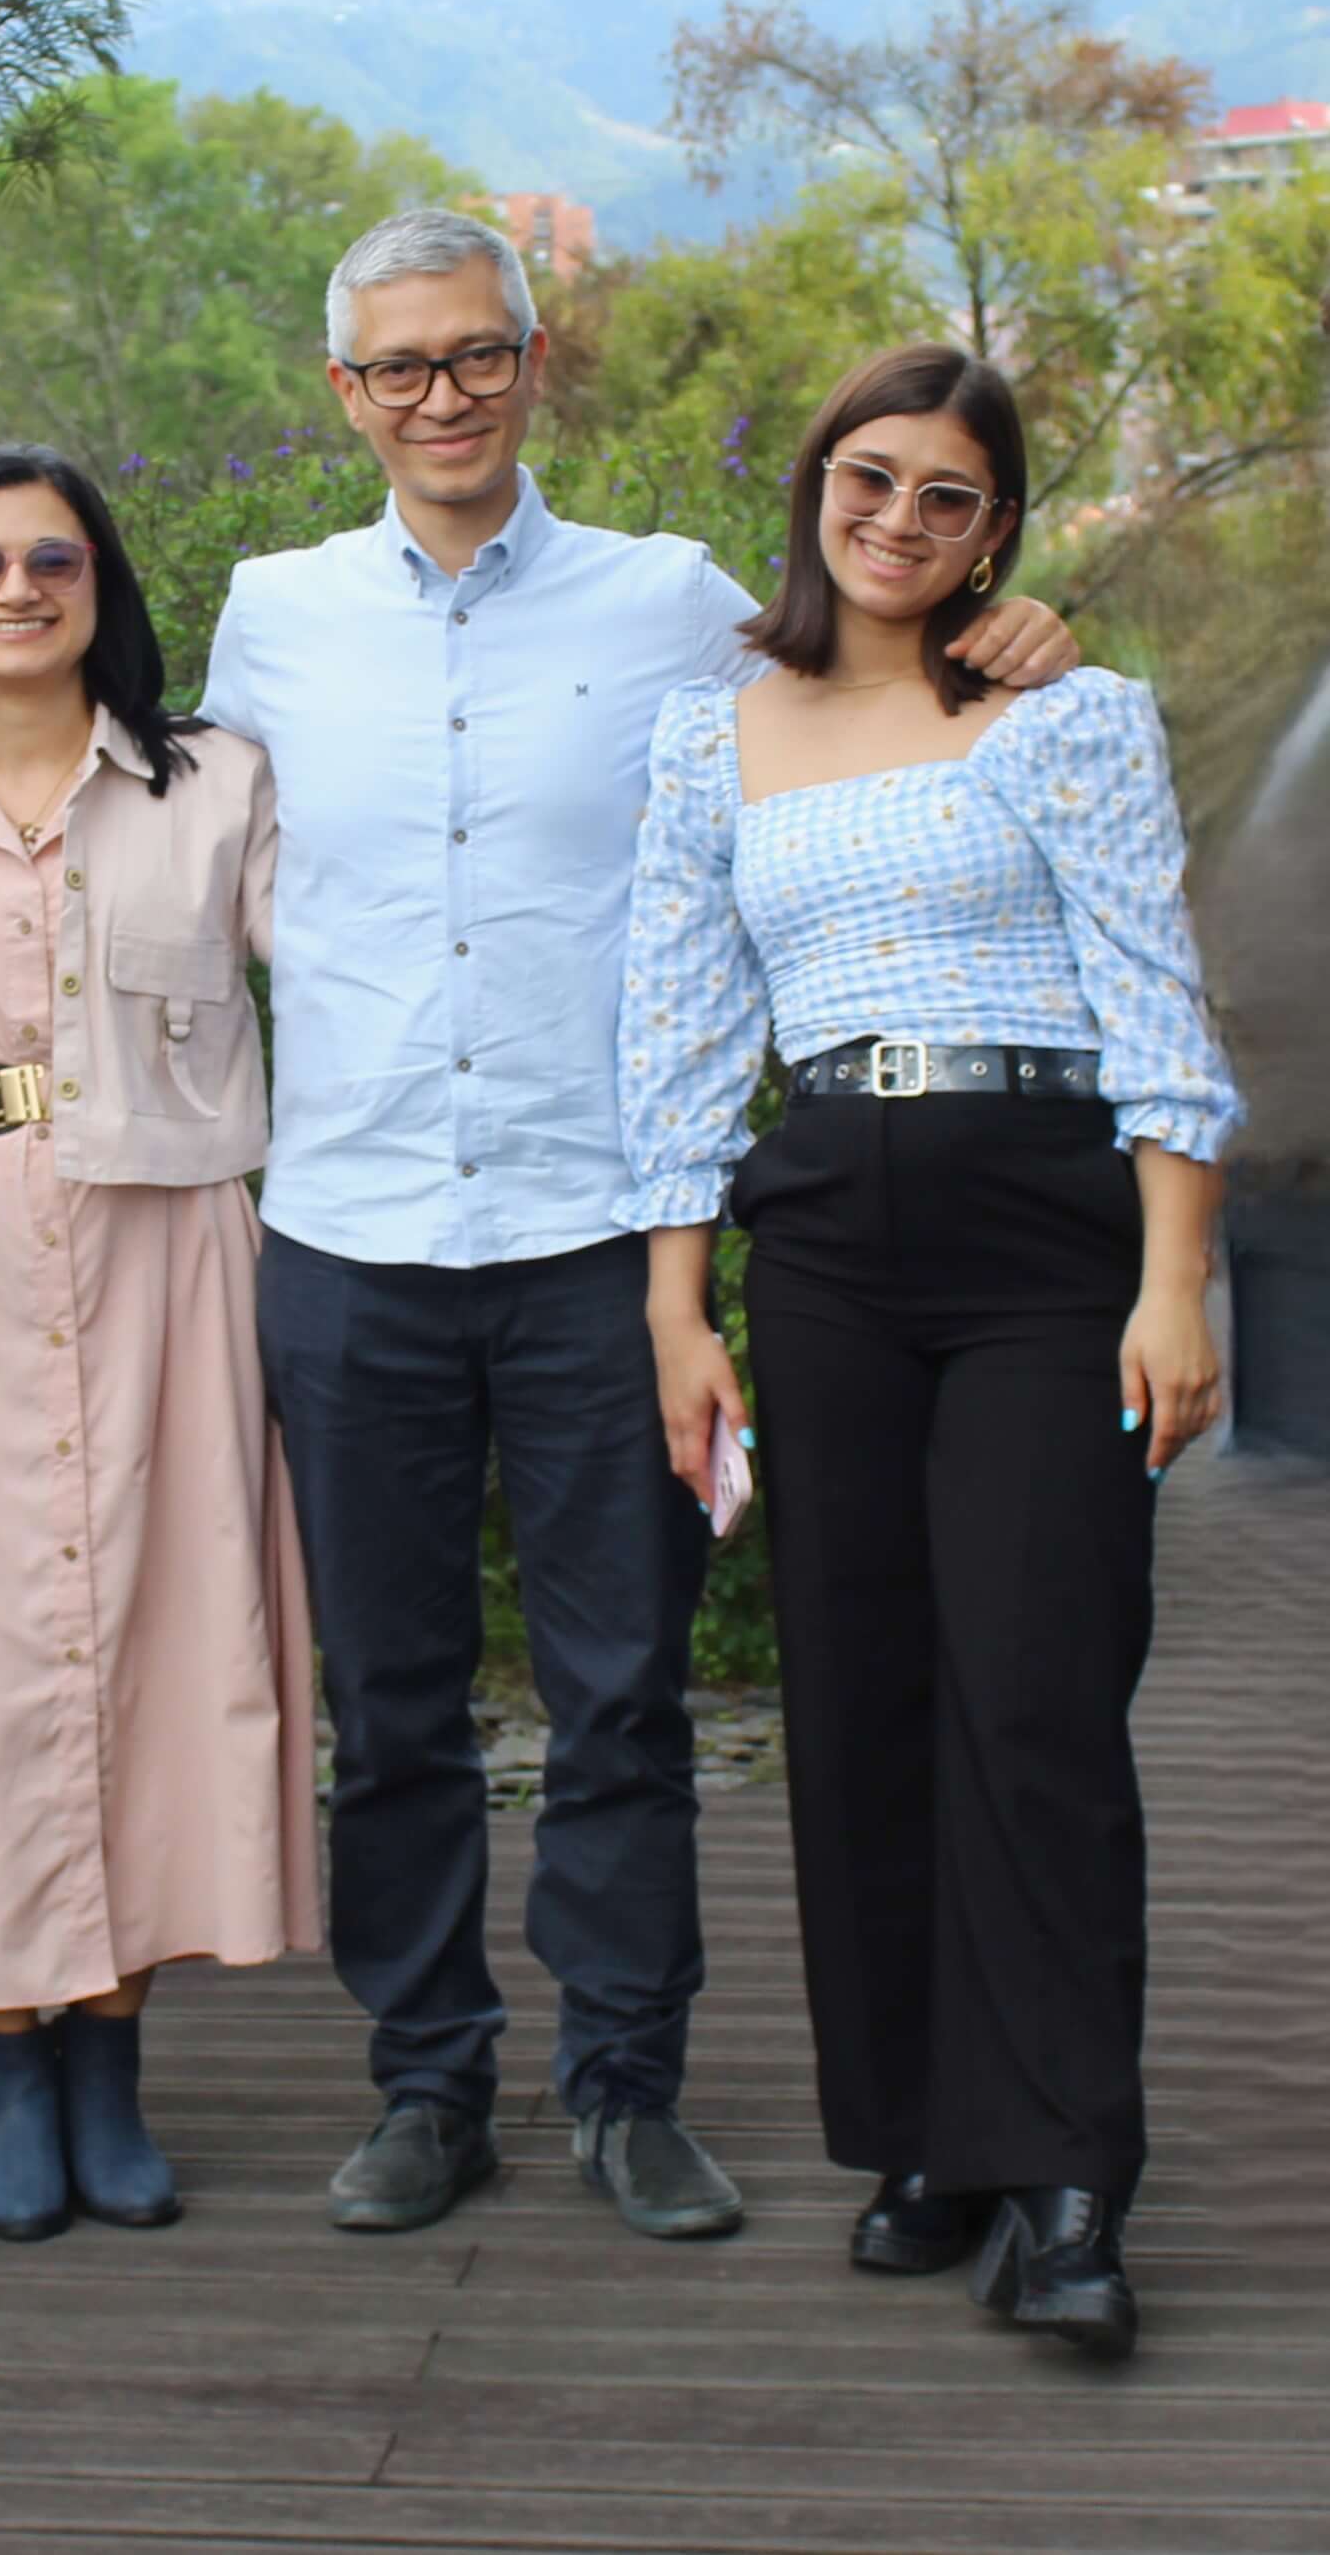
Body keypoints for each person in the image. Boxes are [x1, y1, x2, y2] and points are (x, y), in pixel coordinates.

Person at [194, 210, 1079, 2244]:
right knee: (390, 1709)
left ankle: (626, 2086)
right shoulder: (268, 617)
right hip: (350, 1240)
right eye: (399, 365)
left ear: (533, 362)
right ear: (345, 393)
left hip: (607, 1247)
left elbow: (879, 685)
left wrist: (1027, 636)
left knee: (623, 1699)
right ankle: (428, 2087)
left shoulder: (671, 604)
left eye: (478, 355)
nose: (442, 395)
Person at [619, 346, 1236, 2358]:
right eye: (870, 478)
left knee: (1040, 1696)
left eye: (950, 495)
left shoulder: (1067, 714)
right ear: (813, 488)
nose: (900, 518)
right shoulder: (712, 739)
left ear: (999, 527)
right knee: (864, 1695)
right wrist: (675, 1310)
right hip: (824, 1237)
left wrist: (1177, 1278)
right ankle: (927, 2139)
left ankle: (1067, 2177)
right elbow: (683, 1035)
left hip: (1046, 1229)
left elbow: (1153, 996)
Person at [0, 444, 319, 2243]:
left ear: (105, 585)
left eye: (55, 558)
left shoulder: (217, 787)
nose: (15, 588)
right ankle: (6, 2046)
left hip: (173, 1250)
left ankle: (114, 2046)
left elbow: (336, 971)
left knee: (156, 1639)